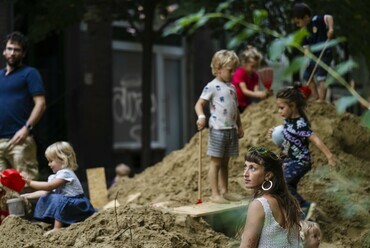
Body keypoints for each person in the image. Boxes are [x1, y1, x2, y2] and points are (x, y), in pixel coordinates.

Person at [268, 86, 336, 220]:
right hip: (290, 161)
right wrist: (274, 135)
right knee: (284, 186)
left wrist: (329, 156)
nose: (279, 111)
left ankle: (305, 205)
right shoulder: (288, 121)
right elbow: (288, 141)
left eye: (282, 108)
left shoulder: (300, 124)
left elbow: (315, 139)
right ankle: (296, 214)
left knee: (284, 184)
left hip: (301, 162)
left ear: (292, 106)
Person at [195, 49, 244, 204]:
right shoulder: (211, 86)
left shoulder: (232, 87)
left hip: (230, 129)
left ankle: (224, 191)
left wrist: (240, 126)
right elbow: (199, 104)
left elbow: (235, 109)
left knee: (225, 163)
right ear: (218, 69)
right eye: (230, 70)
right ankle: (215, 194)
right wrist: (201, 117)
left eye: (234, 70)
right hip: (217, 130)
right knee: (215, 162)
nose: (233, 73)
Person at [21, 141, 95, 236]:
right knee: (49, 196)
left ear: (63, 159)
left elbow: (49, 186)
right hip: (69, 204)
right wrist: (28, 196)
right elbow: (45, 191)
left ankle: (57, 228)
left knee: (58, 198)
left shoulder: (66, 173)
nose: (49, 164)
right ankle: (56, 222)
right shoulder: (55, 176)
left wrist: (30, 182)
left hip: (78, 205)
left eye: (51, 161)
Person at [0, 31, 46, 180]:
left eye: (17, 50)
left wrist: (27, 129)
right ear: (4, 51)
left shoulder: (29, 73)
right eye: (9, 48)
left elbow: (41, 104)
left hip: (20, 141)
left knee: (26, 187)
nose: (12, 53)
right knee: (2, 193)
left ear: (23, 53)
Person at [240, 146, 301, 247]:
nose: (245, 174)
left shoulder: (260, 205)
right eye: (245, 166)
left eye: (253, 168)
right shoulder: (290, 202)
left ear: (268, 175)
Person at [292, 2, 335, 102]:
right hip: (314, 56)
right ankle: (315, 96)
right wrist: (306, 60)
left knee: (321, 77)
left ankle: (322, 99)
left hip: (325, 53)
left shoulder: (317, 20)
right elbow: (306, 48)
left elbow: (329, 17)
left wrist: (331, 29)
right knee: (307, 75)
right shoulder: (303, 32)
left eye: (298, 22)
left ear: (306, 17)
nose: (298, 25)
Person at [231, 46, 271, 112]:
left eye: (256, 66)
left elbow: (255, 91)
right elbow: (245, 91)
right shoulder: (239, 73)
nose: (255, 69)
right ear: (244, 63)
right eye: (252, 66)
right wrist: (258, 94)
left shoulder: (255, 76)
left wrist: (263, 94)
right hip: (235, 103)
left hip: (245, 103)